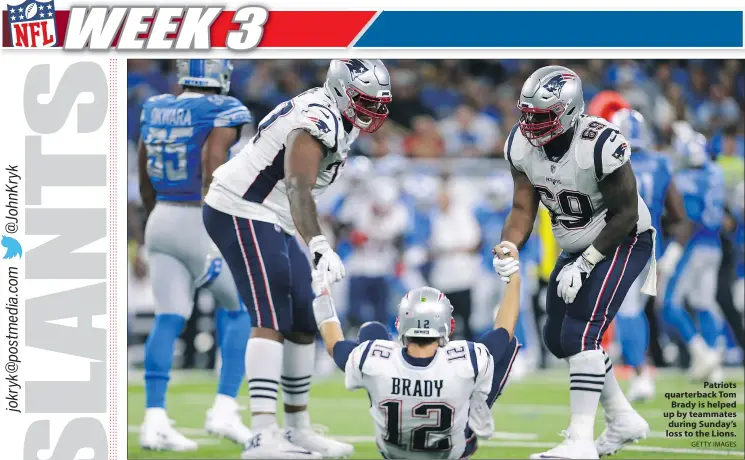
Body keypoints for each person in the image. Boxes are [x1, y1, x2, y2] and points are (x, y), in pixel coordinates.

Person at [202, 59, 392, 459]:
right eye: (365, 101)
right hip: (243, 208)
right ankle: (263, 433)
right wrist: (319, 243)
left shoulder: (339, 113)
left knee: (305, 319)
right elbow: (297, 186)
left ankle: (297, 427)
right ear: (341, 90)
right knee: (270, 317)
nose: (372, 111)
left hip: (274, 217)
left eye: (378, 103)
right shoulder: (318, 118)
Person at [493, 66, 654, 459]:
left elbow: (626, 214)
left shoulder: (599, 143)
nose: (530, 123)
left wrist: (586, 264)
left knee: (583, 333)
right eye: (526, 113)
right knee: (557, 338)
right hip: (574, 243)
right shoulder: (521, 144)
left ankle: (580, 440)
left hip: (623, 239)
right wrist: (508, 246)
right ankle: (622, 417)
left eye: (540, 116)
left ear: (568, 112)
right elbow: (521, 208)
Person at [137, 59, 253, 450]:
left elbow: (143, 173)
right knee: (240, 308)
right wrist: (216, 225)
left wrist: (154, 223)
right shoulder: (223, 108)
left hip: (161, 217)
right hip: (197, 217)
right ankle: (224, 409)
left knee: (168, 316)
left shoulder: (154, 107)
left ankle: (154, 420)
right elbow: (211, 166)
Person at [309, 246, 522, 459]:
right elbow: (504, 330)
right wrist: (513, 276)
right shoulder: (467, 359)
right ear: (448, 325)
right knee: (504, 346)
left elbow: (333, 343)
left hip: (392, 450)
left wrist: (322, 292)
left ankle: (379, 393)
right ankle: (477, 405)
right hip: (455, 450)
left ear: (401, 323)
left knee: (371, 332)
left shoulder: (373, 358)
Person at [609, 108, 691, 402]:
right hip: (652, 247)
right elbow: (679, 216)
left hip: (625, 245)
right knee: (634, 310)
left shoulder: (610, 164)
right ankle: (641, 368)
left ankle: (642, 372)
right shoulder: (660, 164)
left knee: (628, 310)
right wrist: (673, 252)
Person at [662, 133, 727, 382]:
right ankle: (714, 366)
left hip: (692, 245)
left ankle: (701, 352)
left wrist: (674, 250)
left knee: (670, 304)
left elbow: (685, 220)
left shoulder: (685, 178)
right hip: (714, 245)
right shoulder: (715, 173)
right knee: (704, 303)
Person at [474, 176, 541, 377]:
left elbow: (534, 245)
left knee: (519, 309)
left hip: (514, 267)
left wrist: (528, 266)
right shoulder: (482, 212)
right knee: (482, 312)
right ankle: (485, 351)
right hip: (488, 267)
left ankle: (526, 353)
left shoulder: (518, 215)